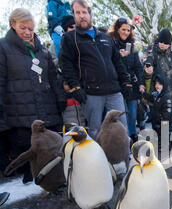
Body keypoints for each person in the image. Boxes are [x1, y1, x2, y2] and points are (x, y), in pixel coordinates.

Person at [0, 8, 65, 184]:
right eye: (23, 28)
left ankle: (54, 179)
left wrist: (60, 99)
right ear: (13, 25)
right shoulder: (3, 48)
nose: (28, 32)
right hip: (20, 113)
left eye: (31, 28)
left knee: (51, 149)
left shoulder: (41, 49)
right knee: (28, 152)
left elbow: (53, 76)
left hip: (46, 108)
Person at [59, 0, 132, 139]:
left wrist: (126, 82)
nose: (82, 16)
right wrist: (75, 87)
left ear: (90, 14)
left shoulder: (106, 37)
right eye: (77, 13)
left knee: (122, 129)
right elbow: (66, 65)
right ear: (73, 15)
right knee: (95, 132)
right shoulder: (69, 38)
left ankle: (125, 157)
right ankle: (96, 160)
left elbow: (117, 61)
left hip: (114, 91)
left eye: (84, 12)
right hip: (91, 93)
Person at [108, 17, 145, 142]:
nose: (125, 32)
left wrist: (141, 83)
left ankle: (132, 138)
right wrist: (119, 55)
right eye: (123, 29)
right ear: (117, 29)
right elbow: (109, 63)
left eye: (128, 30)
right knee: (120, 114)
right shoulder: (111, 44)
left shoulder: (132, 46)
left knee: (132, 115)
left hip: (132, 86)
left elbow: (138, 67)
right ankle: (122, 138)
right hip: (118, 85)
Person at [148, 28, 172, 128]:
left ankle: (167, 142)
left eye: (166, 42)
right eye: (161, 42)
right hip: (156, 97)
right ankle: (158, 142)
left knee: (169, 123)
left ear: (170, 44)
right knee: (156, 124)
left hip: (170, 97)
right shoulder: (153, 55)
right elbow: (148, 64)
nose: (163, 44)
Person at [143, 74, 172, 138]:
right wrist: (143, 93)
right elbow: (150, 97)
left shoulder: (166, 96)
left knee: (164, 137)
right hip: (158, 121)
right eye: (156, 84)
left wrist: (162, 120)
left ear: (164, 85)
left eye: (159, 84)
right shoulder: (157, 94)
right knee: (158, 136)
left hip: (164, 123)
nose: (157, 86)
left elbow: (167, 112)